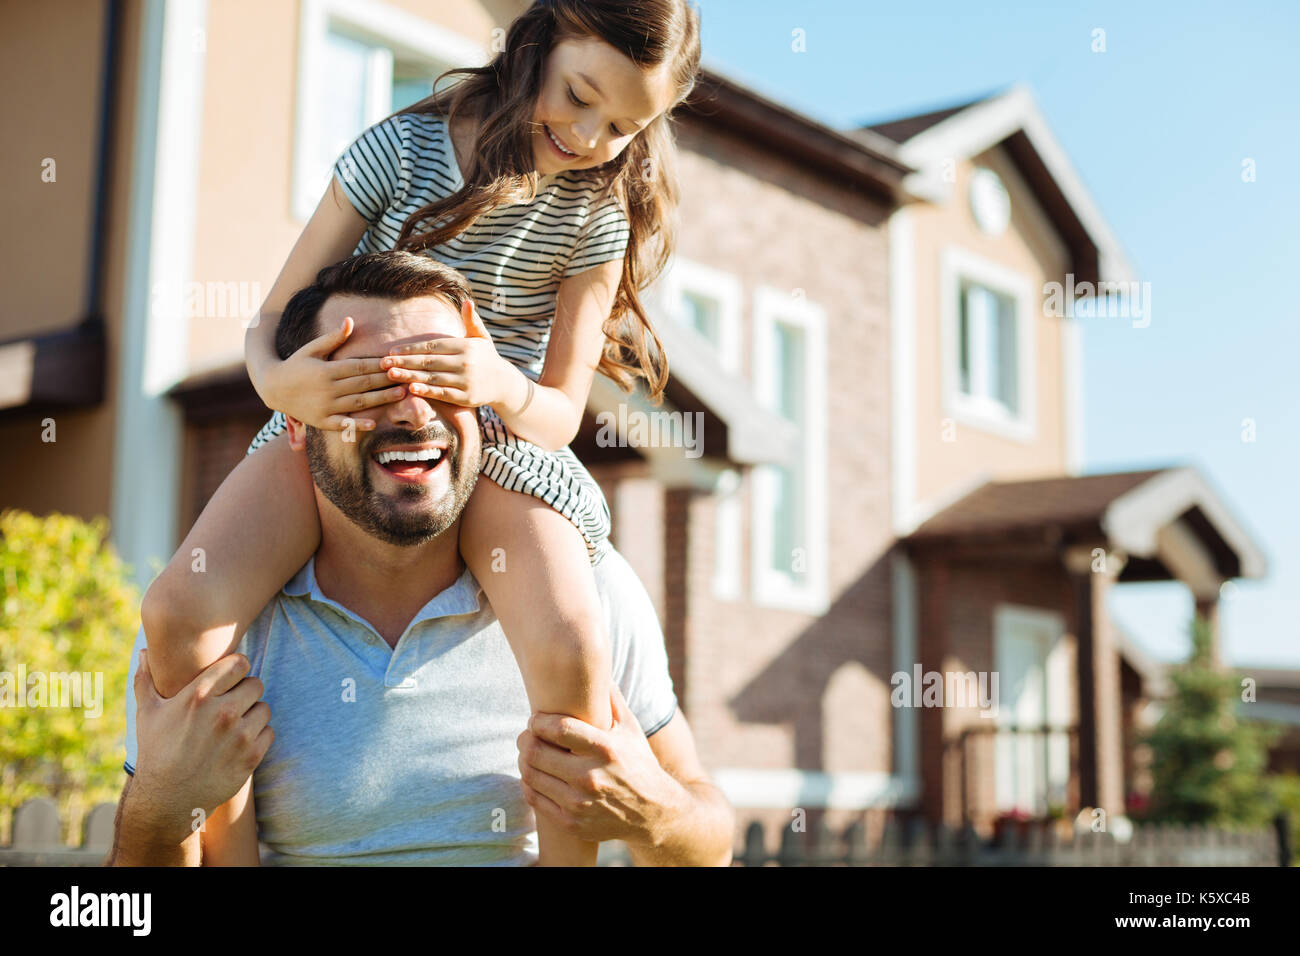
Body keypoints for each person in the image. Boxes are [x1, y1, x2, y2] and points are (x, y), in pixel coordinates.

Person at [139, 0, 702, 866]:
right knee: (180, 610)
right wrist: (286, 382)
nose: (592, 136)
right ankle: (229, 849)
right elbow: (268, 322)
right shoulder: (399, 150)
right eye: (580, 95)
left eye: (627, 125)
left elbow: (557, 412)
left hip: (499, 446)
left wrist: (499, 386)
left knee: (571, 644)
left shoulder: (598, 215)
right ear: (538, 44)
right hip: (343, 419)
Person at [109, 252, 734, 866]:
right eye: (366, 385)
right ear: (295, 423)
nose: (413, 411)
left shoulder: (585, 593)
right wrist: (159, 810)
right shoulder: (220, 622)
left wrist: (656, 813)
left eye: (444, 379)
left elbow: (712, 846)